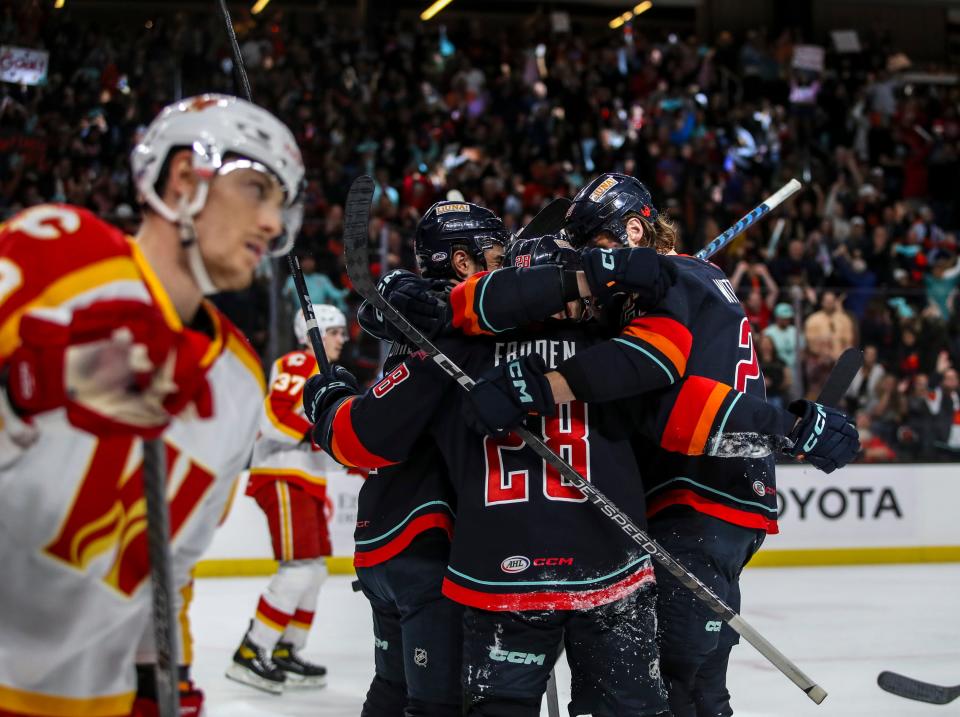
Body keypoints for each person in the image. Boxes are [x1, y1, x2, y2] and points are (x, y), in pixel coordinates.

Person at [458, 173, 859, 717]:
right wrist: (783, 428)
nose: (597, 271)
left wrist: (542, 385)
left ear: (633, 228)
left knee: (670, 686)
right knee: (701, 687)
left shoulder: (662, 283)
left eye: (599, 248)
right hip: (734, 500)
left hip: (690, 499)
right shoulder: (702, 275)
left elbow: (666, 402)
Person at [0, 93, 304, 717]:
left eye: (282, 203)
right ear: (184, 177)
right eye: (256, 189)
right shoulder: (56, 252)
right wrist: (29, 389)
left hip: (98, 700)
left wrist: (163, 684)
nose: (273, 222)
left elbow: (171, 570)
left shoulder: (238, 380)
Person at [306, 233, 671, 717]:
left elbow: (361, 439)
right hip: (612, 569)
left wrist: (330, 398)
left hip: (499, 578)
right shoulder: (616, 347)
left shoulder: (452, 349)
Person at [349, 200, 508, 717]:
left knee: (392, 690)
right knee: (436, 705)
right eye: (496, 253)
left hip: (384, 541)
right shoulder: (457, 329)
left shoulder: (421, 321)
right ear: (464, 263)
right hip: (429, 547)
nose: (507, 262)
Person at [226, 306, 348, 693]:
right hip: (282, 476)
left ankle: (284, 649)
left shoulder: (326, 374)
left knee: (313, 571)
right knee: (298, 570)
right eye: (336, 331)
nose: (342, 339)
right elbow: (274, 418)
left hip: (304, 479)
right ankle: (251, 651)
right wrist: (322, 436)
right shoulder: (300, 361)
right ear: (318, 332)